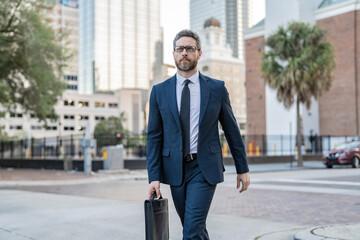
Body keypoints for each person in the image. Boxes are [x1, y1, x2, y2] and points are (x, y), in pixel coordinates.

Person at [147, 29, 250, 240]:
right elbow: (154, 136)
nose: (184, 52)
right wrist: (154, 177)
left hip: (203, 169)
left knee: (192, 231)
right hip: (175, 170)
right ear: (174, 54)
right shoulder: (159, 91)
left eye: (189, 48)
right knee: (194, 228)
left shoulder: (216, 89)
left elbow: (231, 130)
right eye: (180, 49)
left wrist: (243, 168)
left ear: (199, 53)